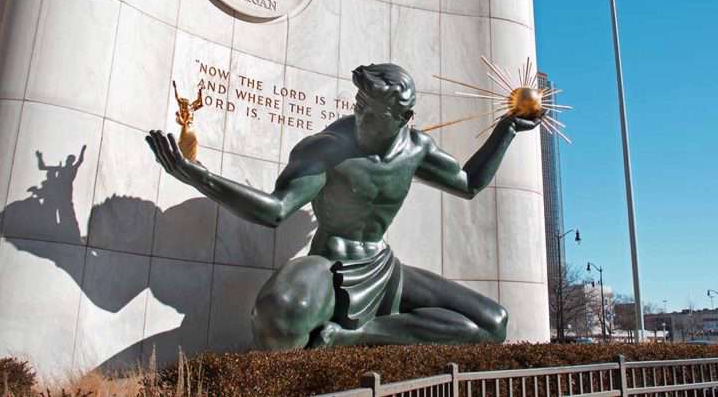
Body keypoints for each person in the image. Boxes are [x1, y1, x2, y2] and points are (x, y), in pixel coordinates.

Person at [146, 64, 541, 349]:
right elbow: (276, 210)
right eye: (359, 104)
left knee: (493, 324)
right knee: (278, 314)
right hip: (329, 267)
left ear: (404, 118)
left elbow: (469, 183)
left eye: (372, 112)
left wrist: (506, 130)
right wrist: (200, 177)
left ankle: (354, 337)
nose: (360, 116)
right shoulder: (328, 148)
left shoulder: (416, 149)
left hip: (383, 268)